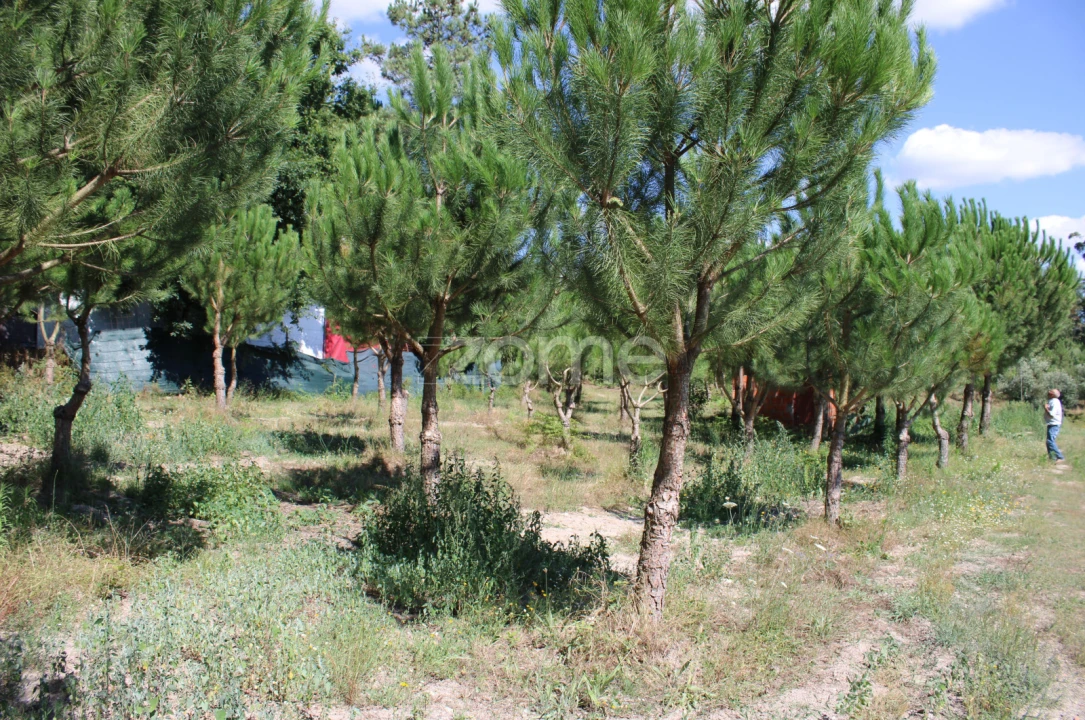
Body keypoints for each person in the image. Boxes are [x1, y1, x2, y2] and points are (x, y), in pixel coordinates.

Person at [1044, 388, 1065, 462]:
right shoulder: (1052, 401)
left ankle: (1060, 457)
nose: (1048, 392)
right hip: (1052, 423)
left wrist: (1046, 408)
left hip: (1054, 424)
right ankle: (1052, 458)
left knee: (1050, 441)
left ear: (1053, 394)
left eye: (1050, 391)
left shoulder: (1054, 402)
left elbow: (1052, 414)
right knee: (1048, 441)